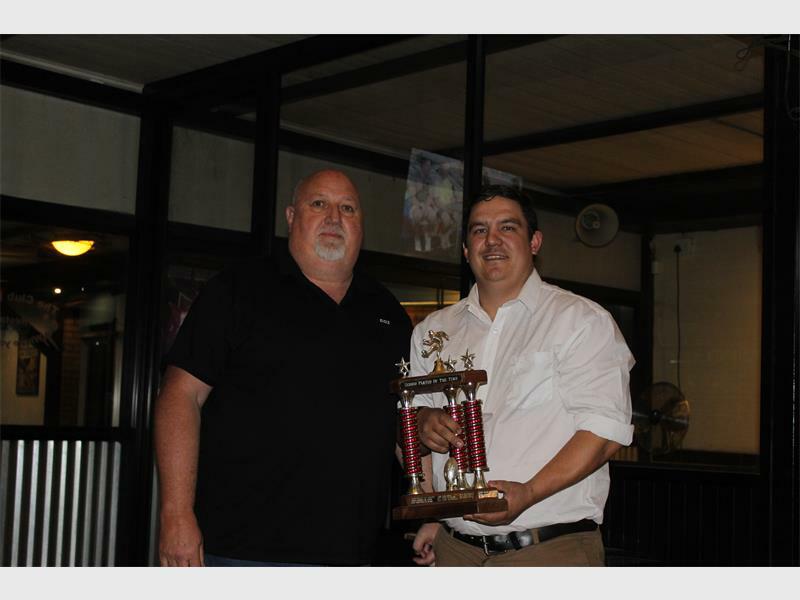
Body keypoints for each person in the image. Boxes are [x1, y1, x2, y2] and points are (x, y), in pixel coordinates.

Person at [154, 169, 412, 566]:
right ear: (291, 217)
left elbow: (402, 423)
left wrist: (435, 512)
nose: (334, 218)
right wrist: (175, 514)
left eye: (347, 208)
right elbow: (180, 396)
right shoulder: (237, 290)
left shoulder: (387, 312)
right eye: (318, 204)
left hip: (354, 555)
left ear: (361, 225)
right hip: (242, 553)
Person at [409, 185, 634, 567]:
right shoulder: (432, 331)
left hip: (549, 550)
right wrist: (422, 424)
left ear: (534, 242)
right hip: (454, 550)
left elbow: (603, 434)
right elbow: (411, 429)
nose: (491, 240)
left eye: (507, 227)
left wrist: (528, 492)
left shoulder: (580, 321)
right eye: (479, 230)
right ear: (465, 249)